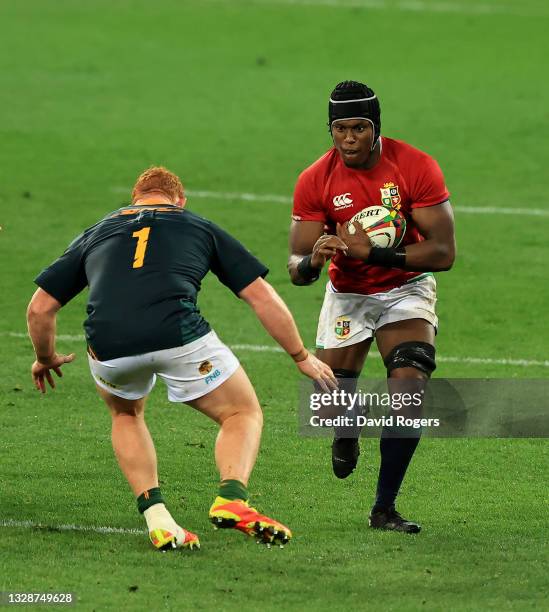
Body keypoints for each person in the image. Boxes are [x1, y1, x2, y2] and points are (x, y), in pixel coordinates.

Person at [27, 166, 337, 551]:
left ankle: (157, 517)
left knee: (126, 414)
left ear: (135, 197)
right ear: (180, 200)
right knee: (242, 413)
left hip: (108, 345)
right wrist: (300, 355)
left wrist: (45, 357)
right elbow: (260, 296)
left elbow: (40, 310)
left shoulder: (98, 230)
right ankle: (232, 498)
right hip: (178, 336)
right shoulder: (198, 225)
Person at [288, 81, 456, 533]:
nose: (348, 138)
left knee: (410, 387)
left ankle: (384, 508)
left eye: (359, 128)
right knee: (331, 403)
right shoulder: (315, 179)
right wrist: (312, 261)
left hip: (406, 287)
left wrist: (374, 254)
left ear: (375, 127)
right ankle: (345, 431)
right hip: (348, 293)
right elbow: (295, 266)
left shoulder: (415, 167)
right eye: (339, 128)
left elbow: (443, 252)